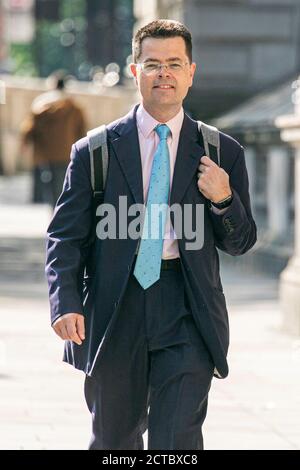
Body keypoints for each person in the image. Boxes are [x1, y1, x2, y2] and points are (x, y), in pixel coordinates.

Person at [45, 20, 257, 450]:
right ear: (134, 70)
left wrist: (223, 199)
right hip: (114, 308)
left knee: (178, 441)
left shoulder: (221, 151)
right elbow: (64, 237)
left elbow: (241, 241)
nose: (165, 73)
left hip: (187, 307)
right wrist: (65, 302)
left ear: (191, 73)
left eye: (175, 64)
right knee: (114, 442)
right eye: (153, 63)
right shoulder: (95, 152)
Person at [20, 71, 87, 207]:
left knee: (48, 183)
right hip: (66, 151)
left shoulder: (41, 104)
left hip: (45, 153)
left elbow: (29, 127)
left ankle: (54, 209)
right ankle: (61, 210)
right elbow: (81, 130)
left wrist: (25, 143)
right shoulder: (74, 107)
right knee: (64, 182)